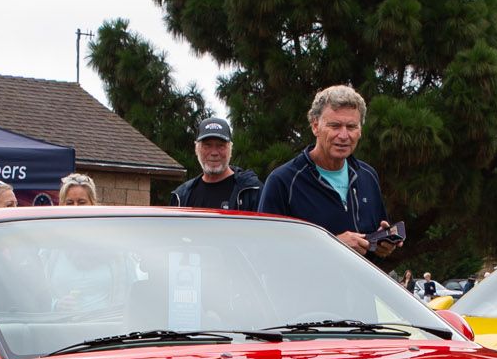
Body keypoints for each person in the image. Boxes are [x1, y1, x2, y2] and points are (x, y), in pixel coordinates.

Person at [258, 84, 400, 258]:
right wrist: (334, 244)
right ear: (315, 126)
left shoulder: (368, 176)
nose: (343, 135)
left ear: (360, 130)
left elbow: (373, 246)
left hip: (359, 285)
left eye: (351, 127)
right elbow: (266, 251)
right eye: (335, 126)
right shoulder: (283, 181)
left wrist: (382, 244)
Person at [170, 116, 261, 211]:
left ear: (230, 149)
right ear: (196, 149)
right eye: (207, 146)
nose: (214, 153)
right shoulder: (181, 197)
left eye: (220, 146)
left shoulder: (251, 192)